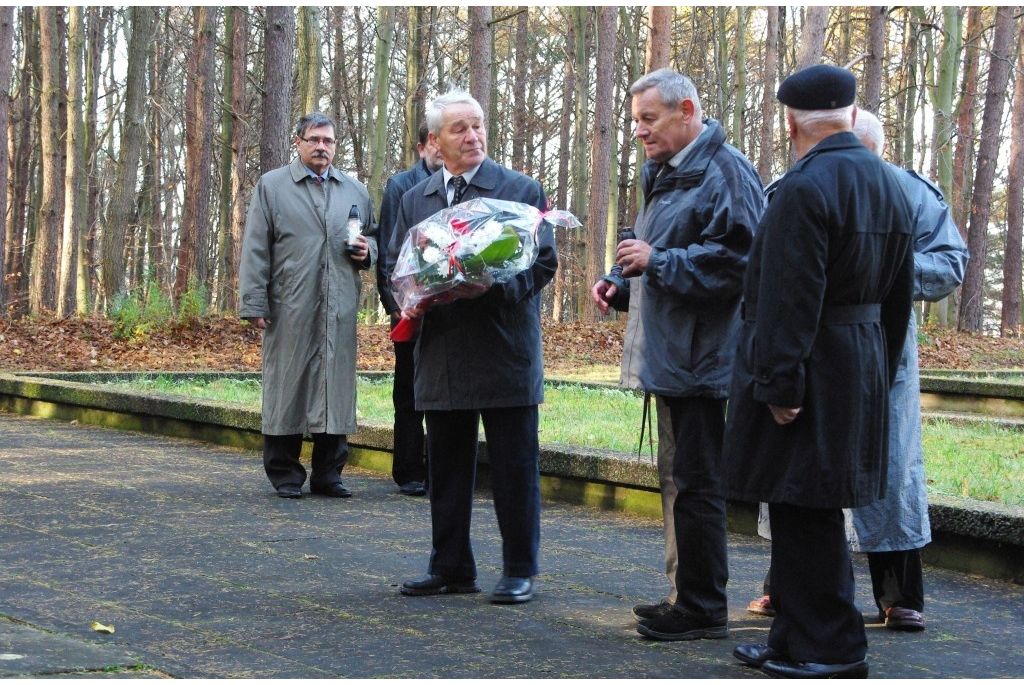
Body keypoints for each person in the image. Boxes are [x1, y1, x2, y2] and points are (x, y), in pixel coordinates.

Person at [724, 65, 915, 679]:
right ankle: (791, 636)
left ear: (789, 121)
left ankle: (830, 648)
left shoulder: (805, 186)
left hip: (808, 364)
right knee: (802, 507)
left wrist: (779, 383)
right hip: (855, 360)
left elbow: (788, 296)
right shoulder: (888, 182)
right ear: (850, 115)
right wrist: (876, 367)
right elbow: (899, 297)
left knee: (806, 512)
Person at [746, 111, 970, 633]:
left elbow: (950, 261)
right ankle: (787, 586)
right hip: (807, 347)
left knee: (890, 468)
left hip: (879, 349)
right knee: (800, 465)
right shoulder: (792, 188)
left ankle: (899, 593)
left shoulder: (908, 192)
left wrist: (879, 264)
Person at [590, 68, 763, 640]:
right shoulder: (663, 172)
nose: (638, 131)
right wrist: (622, 281)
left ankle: (704, 606)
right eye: (634, 120)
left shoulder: (726, 172)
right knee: (678, 479)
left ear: (686, 110)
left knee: (696, 482)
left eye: (648, 118)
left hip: (703, 358)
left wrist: (657, 262)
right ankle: (686, 593)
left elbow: (739, 265)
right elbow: (659, 250)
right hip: (670, 353)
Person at [391, 90, 557, 604]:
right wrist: (409, 301)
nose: (472, 136)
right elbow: (396, 265)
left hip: (504, 346)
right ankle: (451, 566)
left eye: (478, 125)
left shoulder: (518, 189)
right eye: (459, 129)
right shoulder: (414, 198)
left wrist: (493, 286)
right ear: (435, 143)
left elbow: (543, 262)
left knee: (512, 465)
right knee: (446, 466)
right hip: (441, 349)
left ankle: (519, 569)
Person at [238, 112, 376, 500]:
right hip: (290, 303)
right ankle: (284, 472)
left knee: (335, 384)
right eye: (314, 139)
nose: (321, 147)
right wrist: (253, 301)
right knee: (288, 385)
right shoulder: (273, 186)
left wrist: (369, 251)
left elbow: (375, 239)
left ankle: (329, 474)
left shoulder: (354, 190)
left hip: (339, 305)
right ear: (298, 143)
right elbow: (256, 247)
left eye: (328, 141)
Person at [376, 123, 444, 497]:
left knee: (443, 393)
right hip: (409, 308)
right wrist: (398, 306)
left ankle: (440, 468)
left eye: (441, 140)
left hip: (448, 307)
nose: (438, 148)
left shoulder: (459, 184)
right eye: (431, 141)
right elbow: (389, 253)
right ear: (421, 147)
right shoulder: (401, 186)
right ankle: (408, 470)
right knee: (408, 390)